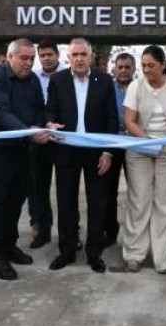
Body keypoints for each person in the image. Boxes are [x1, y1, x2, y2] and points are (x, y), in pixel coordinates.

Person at [0, 38, 50, 281]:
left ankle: (9, 246)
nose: (29, 63)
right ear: (10, 57)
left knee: (15, 202)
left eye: (32, 59)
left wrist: (46, 126)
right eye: (24, 58)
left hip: (22, 152)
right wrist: (31, 132)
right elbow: (0, 112)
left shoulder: (33, 81)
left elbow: (40, 110)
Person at [45, 38, 118, 273]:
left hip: (96, 152)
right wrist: (49, 123)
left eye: (83, 54)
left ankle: (94, 253)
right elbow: (50, 110)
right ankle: (66, 251)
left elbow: (111, 120)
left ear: (91, 56)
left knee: (97, 202)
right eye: (75, 54)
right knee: (66, 202)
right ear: (68, 57)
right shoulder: (58, 80)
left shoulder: (105, 81)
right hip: (66, 150)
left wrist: (108, 152)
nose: (78, 58)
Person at [122, 45, 166, 274]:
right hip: (140, 147)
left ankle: (162, 258)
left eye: (151, 65)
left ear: (163, 64)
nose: (147, 70)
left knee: (165, 203)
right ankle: (134, 254)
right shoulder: (135, 86)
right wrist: (148, 141)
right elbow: (129, 120)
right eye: (144, 66)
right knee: (139, 201)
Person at [29, 40, 65, 249]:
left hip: (61, 139)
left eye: (49, 54)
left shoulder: (68, 75)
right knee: (39, 188)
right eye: (42, 55)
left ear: (57, 54)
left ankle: (69, 233)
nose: (46, 58)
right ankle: (43, 231)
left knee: (65, 189)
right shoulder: (33, 77)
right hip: (38, 140)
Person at [104, 52, 135, 246]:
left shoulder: (141, 88)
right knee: (108, 191)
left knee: (137, 192)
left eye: (127, 67)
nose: (123, 71)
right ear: (114, 69)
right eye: (120, 67)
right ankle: (110, 231)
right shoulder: (107, 88)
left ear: (133, 69)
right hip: (112, 145)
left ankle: (135, 235)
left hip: (135, 145)